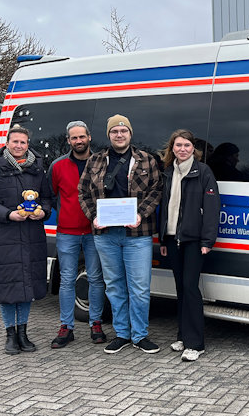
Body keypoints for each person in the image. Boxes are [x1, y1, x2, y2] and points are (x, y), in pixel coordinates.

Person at [78, 114, 163, 354]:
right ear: (109, 135)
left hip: (138, 233)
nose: (119, 135)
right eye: (114, 131)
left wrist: (141, 214)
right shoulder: (94, 161)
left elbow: (156, 190)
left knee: (139, 287)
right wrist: (93, 216)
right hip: (105, 235)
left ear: (130, 134)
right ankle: (122, 334)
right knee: (114, 286)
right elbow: (82, 192)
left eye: (123, 131)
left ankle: (140, 335)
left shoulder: (146, 160)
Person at [0, 125, 52, 355]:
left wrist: (43, 212)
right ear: (7, 143)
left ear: (28, 145)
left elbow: (47, 199)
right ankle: (10, 334)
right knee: (9, 286)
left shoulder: (38, 171)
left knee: (27, 285)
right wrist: (8, 214)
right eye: (15, 142)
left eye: (23, 142)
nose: (19, 146)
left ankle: (23, 334)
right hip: (5, 237)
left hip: (32, 236)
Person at [158, 129, 220, 362]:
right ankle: (183, 336)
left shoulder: (203, 172)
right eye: (178, 145)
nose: (182, 149)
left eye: (186, 145)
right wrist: (163, 238)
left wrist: (207, 241)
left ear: (194, 149)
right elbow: (164, 208)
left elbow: (212, 209)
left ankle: (196, 343)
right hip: (172, 239)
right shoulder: (168, 173)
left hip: (194, 241)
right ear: (171, 148)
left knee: (190, 287)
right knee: (181, 289)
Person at [47, 121, 106, 348]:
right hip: (67, 232)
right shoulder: (58, 165)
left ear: (89, 137)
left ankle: (96, 324)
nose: (78, 141)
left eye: (82, 137)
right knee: (67, 280)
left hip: (94, 231)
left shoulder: (102, 163)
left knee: (96, 279)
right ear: (68, 140)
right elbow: (50, 195)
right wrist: (65, 212)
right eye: (74, 138)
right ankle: (66, 327)